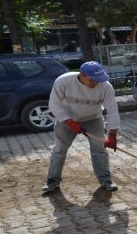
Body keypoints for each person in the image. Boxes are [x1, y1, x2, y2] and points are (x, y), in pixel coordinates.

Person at [42, 61, 121, 193]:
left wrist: (112, 134)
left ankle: (105, 180)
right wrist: (69, 122)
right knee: (59, 150)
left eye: (99, 79)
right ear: (82, 76)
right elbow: (54, 104)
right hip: (67, 119)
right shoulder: (64, 81)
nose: (96, 83)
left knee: (99, 149)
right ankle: (52, 181)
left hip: (93, 119)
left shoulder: (106, 87)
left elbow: (112, 111)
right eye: (92, 80)